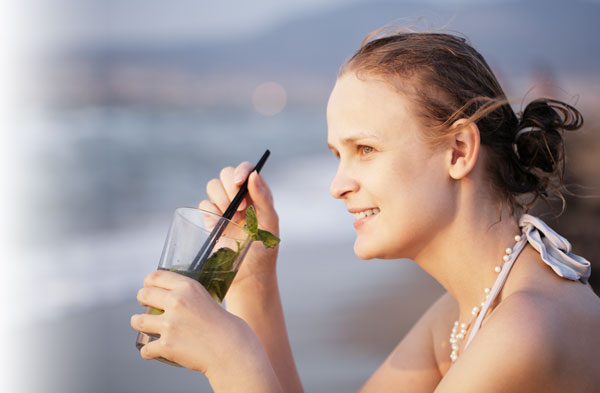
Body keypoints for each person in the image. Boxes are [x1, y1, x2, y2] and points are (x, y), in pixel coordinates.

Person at [130, 29, 600, 392]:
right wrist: (255, 279)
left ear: (459, 150)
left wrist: (231, 359)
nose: (337, 187)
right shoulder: (467, 311)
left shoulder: (524, 331)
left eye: (366, 149)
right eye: (338, 155)